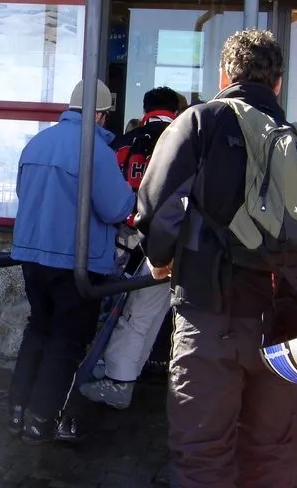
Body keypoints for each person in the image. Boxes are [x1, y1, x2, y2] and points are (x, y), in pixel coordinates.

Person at [134, 30, 297, 488]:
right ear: (279, 81)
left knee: (203, 457)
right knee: (272, 458)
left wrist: (161, 262)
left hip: (210, 318)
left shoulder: (199, 122)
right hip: (282, 327)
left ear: (224, 76)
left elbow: (156, 208)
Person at [8, 79, 135, 444]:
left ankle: (17, 410)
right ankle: (42, 420)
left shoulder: (37, 142)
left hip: (32, 256)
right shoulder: (93, 150)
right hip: (76, 263)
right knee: (67, 341)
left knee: (39, 329)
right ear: (99, 114)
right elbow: (116, 208)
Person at [79, 86, 181, 410]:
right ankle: (121, 377)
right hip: (168, 243)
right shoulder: (183, 142)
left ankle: (114, 376)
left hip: (120, 240)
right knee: (146, 315)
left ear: (146, 108)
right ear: (174, 110)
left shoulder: (123, 142)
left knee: (120, 312)